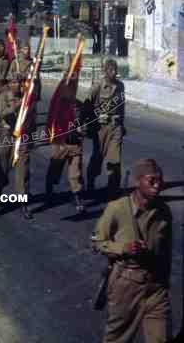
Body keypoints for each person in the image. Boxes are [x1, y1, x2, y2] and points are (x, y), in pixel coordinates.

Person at [92, 159, 172, 343]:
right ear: (138, 182)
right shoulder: (117, 208)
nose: (157, 185)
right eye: (152, 181)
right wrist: (123, 248)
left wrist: (165, 282)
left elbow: (166, 250)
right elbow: (97, 242)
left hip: (156, 286)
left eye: (160, 181)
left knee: (161, 337)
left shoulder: (163, 211)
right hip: (126, 284)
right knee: (118, 337)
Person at [0, 76, 35, 219]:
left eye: (18, 82)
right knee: (3, 165)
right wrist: (16, 106)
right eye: (13, 82)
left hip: (22, 136)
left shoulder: (28, 96)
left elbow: (32, 117)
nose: (15, 85)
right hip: (7, 134)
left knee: (23, 170)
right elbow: (2, 113)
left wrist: (31, 138)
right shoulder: (4, 95)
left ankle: (23, 202)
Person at [86, 59, 126, 200]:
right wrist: (89, 126)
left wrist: (122, 124)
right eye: (110, 70)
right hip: (101, 128)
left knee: (115, 159)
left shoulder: (120, 86)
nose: (113, 72)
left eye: (115, 69)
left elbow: (122, 107)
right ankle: (90, 184)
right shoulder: (97, 86)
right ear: (105, 71)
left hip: (115, 127)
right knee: (97, 157)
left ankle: (113, 189)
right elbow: (86, 105)